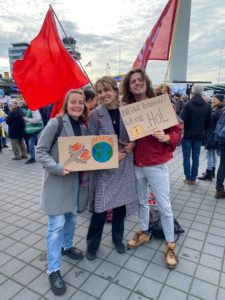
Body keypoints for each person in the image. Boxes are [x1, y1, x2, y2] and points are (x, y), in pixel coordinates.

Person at [121, 68, 182, 269]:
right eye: (133, 81)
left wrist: (166, 137)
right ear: (129, 87)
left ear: (145, 81)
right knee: (142, 202)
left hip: (156, 164)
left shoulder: (161, 104)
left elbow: (177, 130)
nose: (137, 83)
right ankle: (144, 232)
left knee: (164, 206)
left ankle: (170, 244)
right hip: (137, 163)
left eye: (139, 80)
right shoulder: (128, 109)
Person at [36, 89, 88, 296]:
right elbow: (40, 151)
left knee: (72, 219)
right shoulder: (55, 124)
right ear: (66, 104)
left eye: (80, 103)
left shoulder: (83, 128)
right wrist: (57, 167)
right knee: (56, 226)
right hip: (58, 184)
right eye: (73, 102)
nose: (77, 106)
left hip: (74, 185)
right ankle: (53, 270)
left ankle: (67, 246)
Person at [85, 76, 138, 260]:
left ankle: (117, 239)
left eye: (107, 90)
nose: (103, 94)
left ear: (115, 91)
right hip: (104, 168)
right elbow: (90, 145)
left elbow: (135, 134)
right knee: (100, 210)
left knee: (120, 208)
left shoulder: (127, 112)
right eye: (99, 91)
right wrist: (111, 155)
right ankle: (92, 245)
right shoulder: (95, 115)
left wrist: (132, 144)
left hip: (124, 165)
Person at [181, 84, 212, 185]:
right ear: (202, 93)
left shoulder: (188, 104)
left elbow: (182, 120)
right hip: (199, 135)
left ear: (192, 93)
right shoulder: (207, 105)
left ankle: (187, 177)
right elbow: (209, 123)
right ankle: (193, 178)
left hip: (187, 135)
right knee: (196, 157)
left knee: (186, 156)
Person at [198, 94, 224, 181]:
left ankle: (209, 173)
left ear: (220, 100)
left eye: (215, 99)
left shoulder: (219, 110)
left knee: (209, 153)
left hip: (213, 134)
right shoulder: (218, 109)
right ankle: (212, 171)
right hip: (214, 134)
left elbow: (211, 121)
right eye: (213, 98)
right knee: (213, 153)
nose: (213, 100)